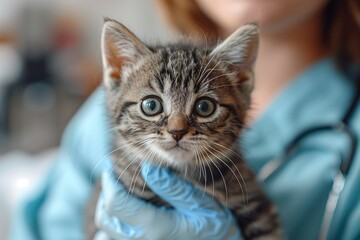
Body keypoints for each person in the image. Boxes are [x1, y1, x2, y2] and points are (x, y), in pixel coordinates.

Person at [9, 0, 360, 239]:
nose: (177, 128)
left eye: (204, 108)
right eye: (151, 107)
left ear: (240, 78)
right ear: (116, 76)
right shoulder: (93, 123)